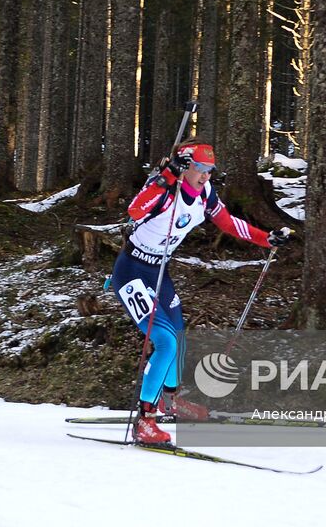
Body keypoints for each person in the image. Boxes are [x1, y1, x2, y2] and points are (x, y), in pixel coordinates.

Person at [110, 142, 292, 443]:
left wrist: (266, 238)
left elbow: (228, 222)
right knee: (165, 341)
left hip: (159, 271)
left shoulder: (206, 195)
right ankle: (145, 420)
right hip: (131, 272)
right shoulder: (164, 190)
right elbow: (135, 209)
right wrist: (166, 177)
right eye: (200, 169)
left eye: (210, 170)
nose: (205, 176)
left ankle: (169, 401)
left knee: (179, 338)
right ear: (185, 167)